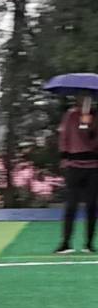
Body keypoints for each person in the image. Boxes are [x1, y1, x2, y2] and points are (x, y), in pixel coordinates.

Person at [56, 96, 98, 254]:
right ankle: (66, 243)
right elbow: (64, 137)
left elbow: (94, 141)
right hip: (74, 166)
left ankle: (89, 244)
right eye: (83, 98)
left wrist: (91, 129)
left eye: (89, 98)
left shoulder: (96, 116)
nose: (86, 101)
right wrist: (64, 157)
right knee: (71, 205)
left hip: (93, 166)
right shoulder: (70, 115)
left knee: (92, 205)